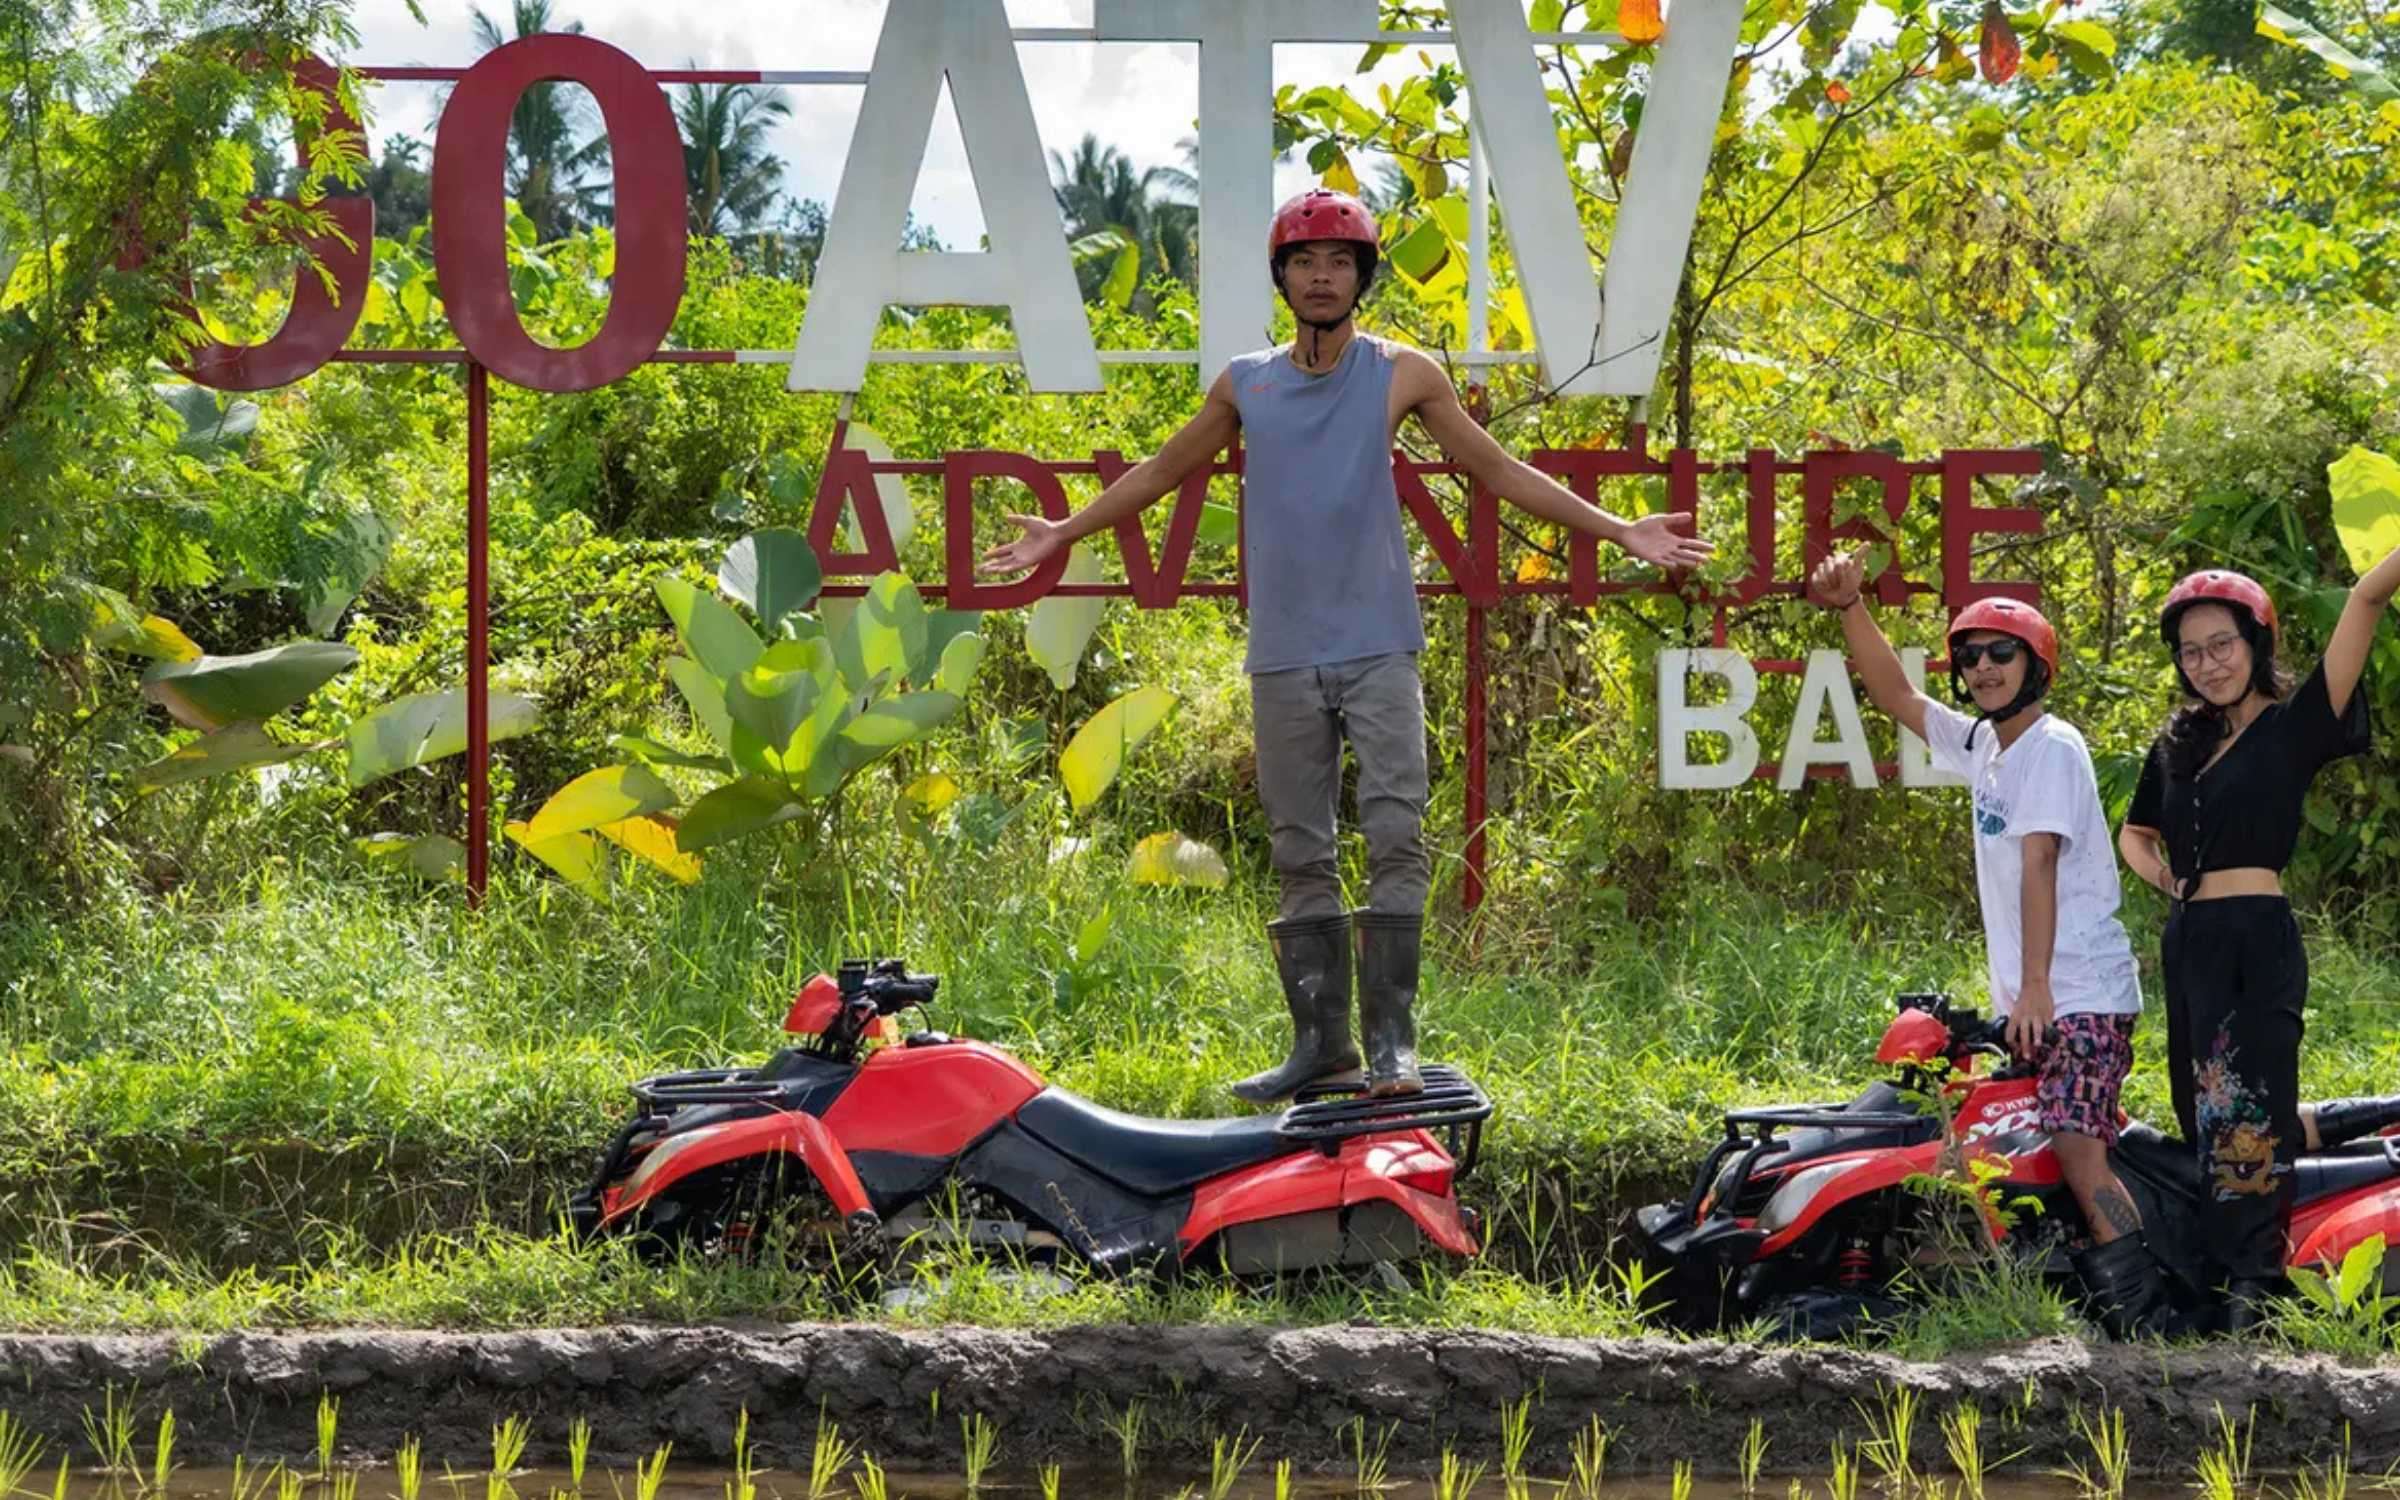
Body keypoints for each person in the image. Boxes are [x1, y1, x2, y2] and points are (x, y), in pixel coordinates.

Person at [981, 188, 1711, 1101]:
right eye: (1304, 262)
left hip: (1378, 644)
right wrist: (1062, 531)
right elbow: (1166, 468)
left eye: (1339, 262)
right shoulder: (1245, 382)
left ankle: (1394, 1049)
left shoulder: (1400, 372)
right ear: (1282, 276)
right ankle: (1322, 1046)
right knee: (1299, 846)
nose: (1321, 277)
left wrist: (1618, 530)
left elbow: (1494, 468)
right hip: (1284, 650)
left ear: (1362, 277)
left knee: (1397, 829)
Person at [1808, 552, 2166, 1336]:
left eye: (2000, 653)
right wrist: (1851, 607)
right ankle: (2070, 1293)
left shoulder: (2052, 746)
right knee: (2020, 1144)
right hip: (2043, 998)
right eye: (1968, 656)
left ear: (2037, 665)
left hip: (2080, 995)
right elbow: (1897, 695)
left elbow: (2040, 860)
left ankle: (2145, 1317)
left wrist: (2035, 989)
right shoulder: (1987, 747)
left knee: (2077, 1148)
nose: (1981, 668)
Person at [2117, 544, 2400, 1328]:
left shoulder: (2295, 726)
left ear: (2257, 643)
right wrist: (2166, 880)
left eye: (2223, 645)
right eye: (2192, 652)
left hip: (2258, 938)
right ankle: (2229, 1263)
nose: (2207, 664)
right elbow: (2135, 833)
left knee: (2250, 1108)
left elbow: (2365, 604)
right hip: (2191, 940)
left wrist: (2386, 566)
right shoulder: (2177, 745)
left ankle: (2252, 1285)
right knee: (2201, 1108)